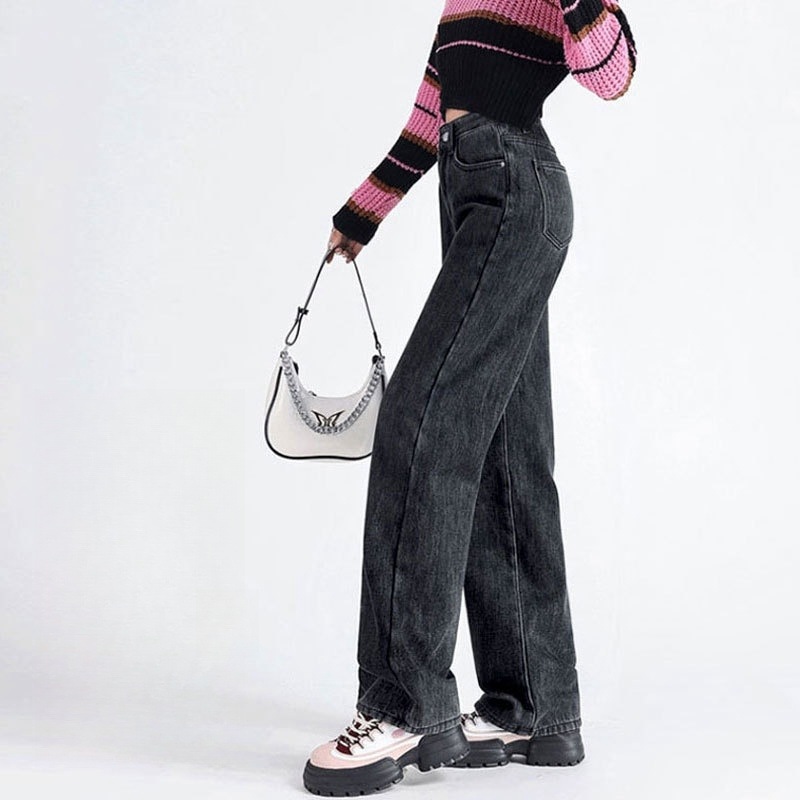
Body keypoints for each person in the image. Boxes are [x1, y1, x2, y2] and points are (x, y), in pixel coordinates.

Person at [303, 1, 637, 795]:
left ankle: (404, 705)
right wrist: (364, 210)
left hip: (516, 188)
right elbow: (431, 115)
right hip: (477, 191)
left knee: (419, 425)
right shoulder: (461, 4)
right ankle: (535, 708)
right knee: (503, 451)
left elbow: (613, 73)